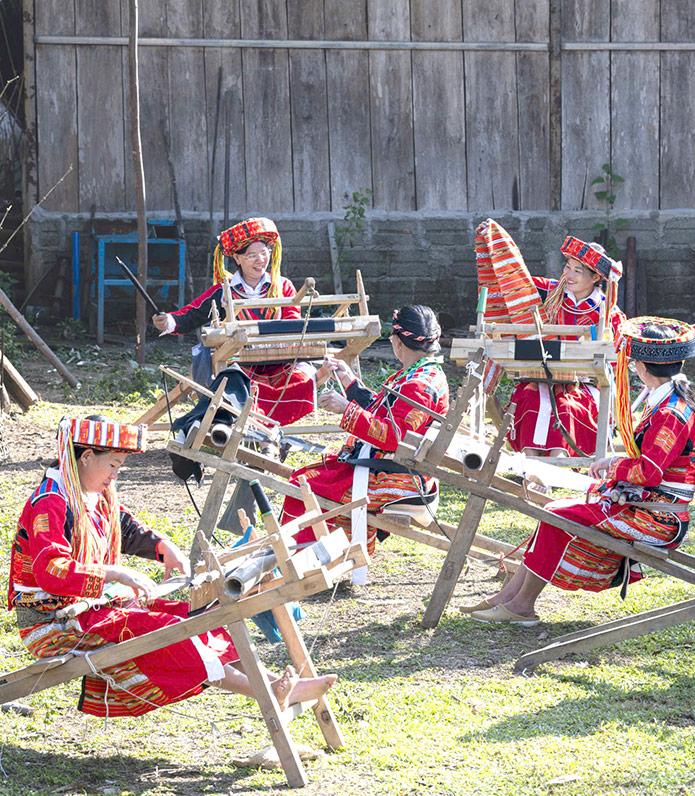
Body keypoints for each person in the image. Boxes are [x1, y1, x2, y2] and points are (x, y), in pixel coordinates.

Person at [6, 416, 334, 717]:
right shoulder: (50, 502)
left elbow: (126, 528)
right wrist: (115, 573)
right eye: (113, 464)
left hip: (89, 608)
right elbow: (52, 569)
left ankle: (272, 683)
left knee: (192, 618)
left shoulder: (92, 494)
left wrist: (163, 548)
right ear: (86, 456)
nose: (115, 474)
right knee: (168, 633)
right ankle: (267, 692)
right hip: (53, 623)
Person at [465, 317, 695, 625]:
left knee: (556, 514)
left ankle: (521, 606)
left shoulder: (671, 413)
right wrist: (615, 469)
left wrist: (613, 467)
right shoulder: (668, 403)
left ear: (641, 367)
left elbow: (649, 473)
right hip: (646, 508)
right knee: (553, 510)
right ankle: (509, 599)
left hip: (659, 519)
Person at [279, 306, 449, 579]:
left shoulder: (417, 385)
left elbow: (393, 437)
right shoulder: (422, 374)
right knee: (308, 476)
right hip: (393, 464)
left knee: (304, 484)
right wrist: (350, 382)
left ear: (396, 340)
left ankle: (306, 566)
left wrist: (345, 408)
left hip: (396, 474)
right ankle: (327, 559)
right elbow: (385, 412)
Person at [152, 217, 318, 426]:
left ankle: (271, 433)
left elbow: (293, 320)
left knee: (301, 377)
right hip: (241, 363)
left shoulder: (282, 286)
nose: (260, 260)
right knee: (238, 387)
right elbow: (191, 315)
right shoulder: (226, 290)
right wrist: (167, 321)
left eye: (264, 252)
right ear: (237, 259)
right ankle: (258, 432)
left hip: (279, 360)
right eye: (252, 255)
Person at [506, 235, 625, 457]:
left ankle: (557, 461)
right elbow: (515, 281)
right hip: (542, 377)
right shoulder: (550, 294)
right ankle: (530, 462)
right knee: (530, 397)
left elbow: (616, 356)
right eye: (567, 267)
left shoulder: (607, 312)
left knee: (567, 406)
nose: (567, 275)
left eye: (577, 271)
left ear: (595, 277)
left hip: (586, 383)